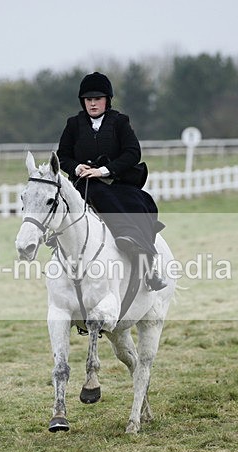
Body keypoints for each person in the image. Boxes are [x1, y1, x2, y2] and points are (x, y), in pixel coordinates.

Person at [56, 72, 167, 291]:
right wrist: (77, 168)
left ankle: (147, 264)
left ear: (107, 100)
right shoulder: (73, 125)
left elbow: (133, 152)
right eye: (88, 99)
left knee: (142, 203)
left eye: (97, 98)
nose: (93, 103)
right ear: (83, 101)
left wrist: (104, 171)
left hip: (117, 182)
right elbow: (62, 156)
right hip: (84, 186)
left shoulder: (120, 122)